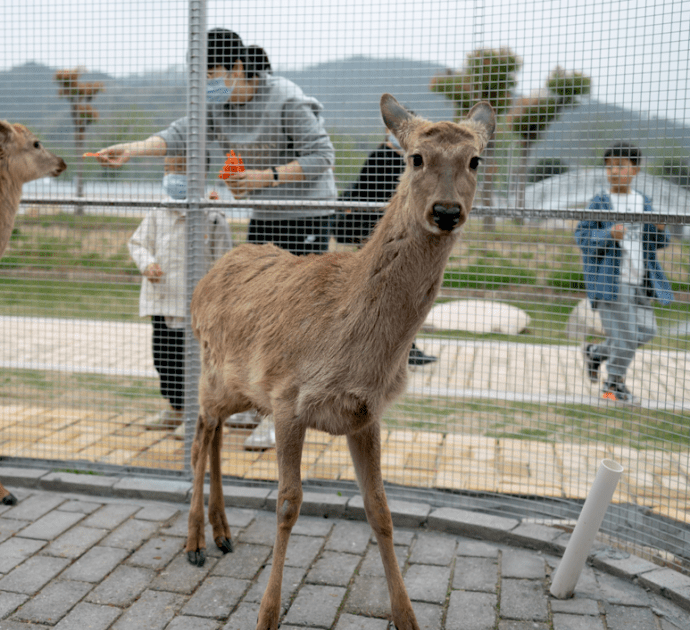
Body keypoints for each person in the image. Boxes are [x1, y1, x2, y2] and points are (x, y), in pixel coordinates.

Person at [97, 28, 338, 450]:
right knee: (259, 313)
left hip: (308, 213)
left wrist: (265, 177)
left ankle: (285, 417)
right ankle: (258, 403)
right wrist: (131, 149)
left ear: (235, 68)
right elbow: (178, 134)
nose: (203, 84)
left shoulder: (285, 97)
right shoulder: (217, 107)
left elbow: (322, 156)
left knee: (294, 319)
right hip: (266, 213)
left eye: (209, 73)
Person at [129, 158, 233, 439]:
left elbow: (224, 262)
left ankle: (197, 415)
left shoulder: (212, 217)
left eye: (180, 170)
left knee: (198, 363)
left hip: (196, 308)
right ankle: (176, 409)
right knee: (165, 359)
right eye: (167, 169)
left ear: (200, 173)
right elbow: (137, 242)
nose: (172, 176)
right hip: (163, 301)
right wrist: (146, 263)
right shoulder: (157, 212)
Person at [575, 142, 673, 404]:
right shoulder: (600, 202)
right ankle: (612, 388)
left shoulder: (643, 202)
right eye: (609, 167)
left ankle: (596, 353)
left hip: (641, 280)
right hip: (612, 282)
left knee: (647, 331)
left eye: (620, 165)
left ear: (636, 170)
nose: (613, 171)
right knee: (627, 337)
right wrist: (609, 234)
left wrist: (660, 230)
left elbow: (660, 243)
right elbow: (582, 237)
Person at [333, 124, 436, 366]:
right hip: (374, 238)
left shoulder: (407, 161)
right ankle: (396, 351)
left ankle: (404, 350)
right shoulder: (382, 157)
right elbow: (361, 194)